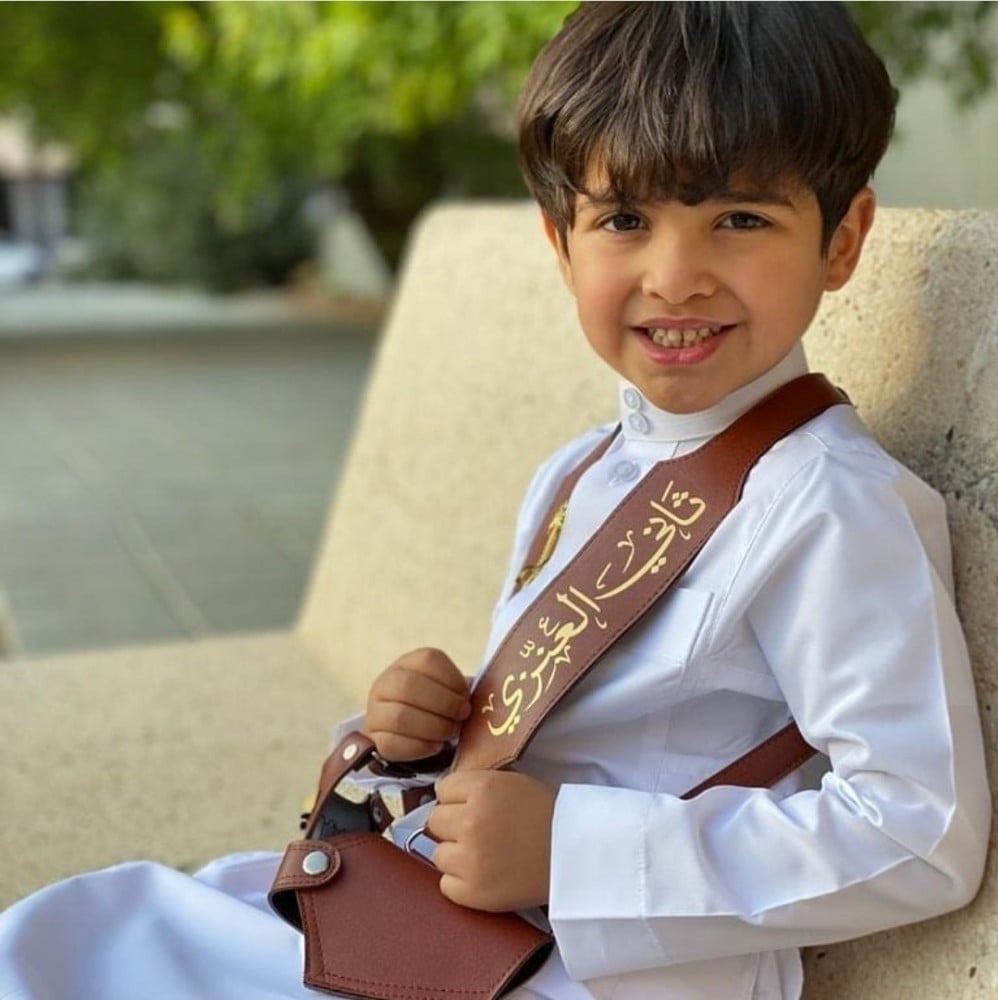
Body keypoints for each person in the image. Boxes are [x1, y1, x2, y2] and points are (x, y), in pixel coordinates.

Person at [0, 4, 989, 999]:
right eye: (624, 220)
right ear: (560, 244)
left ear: (841, 240)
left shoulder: (832, 506)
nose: (676, 277)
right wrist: (422, 735)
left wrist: (573, 852)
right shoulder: (578, 469)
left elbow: (920, 829)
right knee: (88, 932)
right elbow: (558, 729)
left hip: (602, 969)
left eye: (739, 220)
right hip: (452, 922)